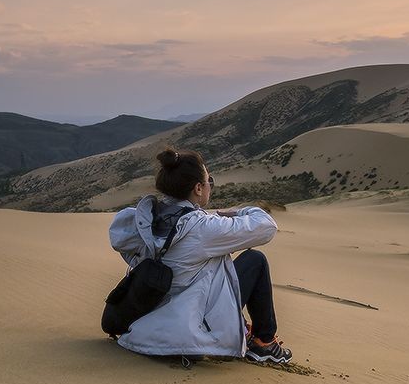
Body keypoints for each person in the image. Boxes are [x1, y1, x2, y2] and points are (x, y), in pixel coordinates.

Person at [108, 147, 292, 364]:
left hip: (149, 323)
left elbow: (123, 244)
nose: (209, 186)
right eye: (208, 181)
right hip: (191, 328)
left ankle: (245, 330)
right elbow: (267, 226)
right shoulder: (202, 227)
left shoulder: (143, 220)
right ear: (197, 188)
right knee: (255, 260)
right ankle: (265, 343)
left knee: (215, 267)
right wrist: (241, 211)